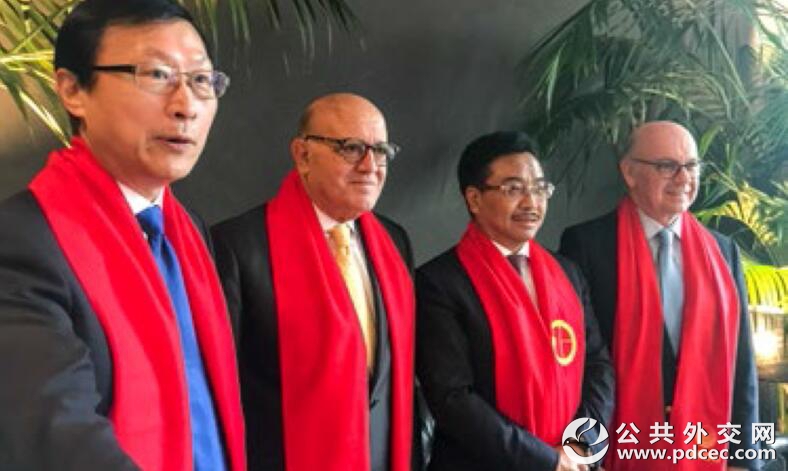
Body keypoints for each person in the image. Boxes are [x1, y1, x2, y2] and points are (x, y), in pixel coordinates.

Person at [0, 1, 245, 470]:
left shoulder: (187, 232)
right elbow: (59, 439)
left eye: (201, 80)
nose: (185, 105)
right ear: (73, 90)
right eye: (156, 75)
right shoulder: (20, 242)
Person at [212, 93, 417, 471]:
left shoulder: (394, 241)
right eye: (351, 148)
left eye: (381, 150)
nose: (370, 166)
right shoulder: (238, 246)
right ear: (302, 155)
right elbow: (223, 390)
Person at [560, 121, 758, 471]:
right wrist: (583, 452)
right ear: (629, 172)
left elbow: (742, 362)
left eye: (692, 165)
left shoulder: (723, 251)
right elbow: (582, 365)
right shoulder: (586, 244)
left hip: (705, 448)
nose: (683, 178)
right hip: (618, 446)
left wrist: (744, 457)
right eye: (667, 166)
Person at [415, 131, 614, 471]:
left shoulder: (567, 272)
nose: (531, 203)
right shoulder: (440, 282)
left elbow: (598, 365)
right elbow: (452, 398)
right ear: (474, 199)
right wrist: (547, 460)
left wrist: (580, 447)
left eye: (539, 188)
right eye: (513, 189)